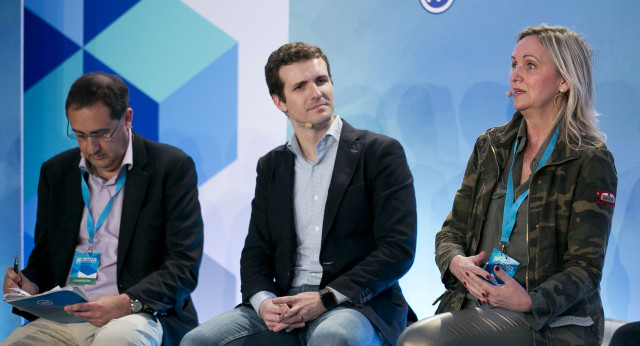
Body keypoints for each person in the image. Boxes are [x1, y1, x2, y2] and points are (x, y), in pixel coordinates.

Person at [181, 42, 417, 346]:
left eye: (321, 80)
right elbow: (256, 253)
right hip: (286, 305)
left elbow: (398, 249)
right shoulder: (272, 166)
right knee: (198, 341)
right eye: (301, 86)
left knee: (334, 336)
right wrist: (265, 302)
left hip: (356, 304)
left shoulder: (379, 153)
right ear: (280, 101)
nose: (316, 92)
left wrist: (326, 298)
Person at [398, 24, 617, 346]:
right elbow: (451, 232)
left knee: (421, 341)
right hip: (476, 306)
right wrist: (456, 262)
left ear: (564, 81)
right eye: (514, 64)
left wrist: (530, 301)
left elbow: (585, 270)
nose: (515, 75)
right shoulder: (491, 146)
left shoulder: (589, 160)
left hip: (548, 320)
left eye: (530, 65)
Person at [2, 72, 204, 345]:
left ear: (127, 118)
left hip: (134, 313)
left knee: (117, 340)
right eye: (80, 135)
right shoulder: (57, 172)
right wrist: (30, 285)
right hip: (65, 316)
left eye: (100, 134)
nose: (90, 148)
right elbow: (45, 259)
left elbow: (183, 267)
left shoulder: (170, 168)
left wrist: (125, 303)